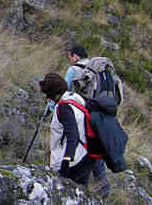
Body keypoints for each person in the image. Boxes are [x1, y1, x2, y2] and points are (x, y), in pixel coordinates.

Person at [65, 45, 110, 198]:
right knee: (95, 149)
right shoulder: (97, 69)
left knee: (79, 146)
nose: (70, 61)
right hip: (100, 116)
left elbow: (65, 93)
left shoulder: (74, 70)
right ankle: (102, 186)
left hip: (80, 116)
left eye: (70, 57)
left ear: (75, 56)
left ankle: (73, 183)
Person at [40, 73, 95, 186]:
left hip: (73, 162)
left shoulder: (64, 107)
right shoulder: (76, 101)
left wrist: (65, 162)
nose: (47, 98)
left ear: (54, 94)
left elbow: (72, 134)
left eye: (48, 95)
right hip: (85, 156)